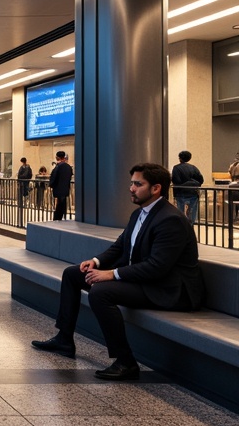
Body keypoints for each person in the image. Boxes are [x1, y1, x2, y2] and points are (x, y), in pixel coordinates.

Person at [31, 162, 205, 380]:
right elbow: (120, 246)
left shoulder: (171, 220)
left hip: (169, 290)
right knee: (73, 274)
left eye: (138, 184)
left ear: (156, 188)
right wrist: (96, 261)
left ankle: (126, 362)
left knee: (101, 292)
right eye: (132, 183)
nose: (131, 188)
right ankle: (64, 339)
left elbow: (157, 267)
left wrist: (111, 274)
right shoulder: (139, 214)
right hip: (145, 280)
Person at [171, 150, 203, 224]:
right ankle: (190, 226)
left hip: (180, 193)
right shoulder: (193, 168)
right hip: (193, 193)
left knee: (180, 212)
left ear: (180, 158)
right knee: (192, 213)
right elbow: (201, 180)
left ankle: (182, 227)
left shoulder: (176, 168)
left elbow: (176, 181)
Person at [49, 151, 73, 220]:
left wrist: (51, 185)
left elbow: (54, 177)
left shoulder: (58, 167)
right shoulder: (68, 167)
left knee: (58, 205)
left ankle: (57, 219)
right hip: (65, 189)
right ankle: (62, 217)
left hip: (58, 189)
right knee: (63, 204)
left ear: (57, 157)